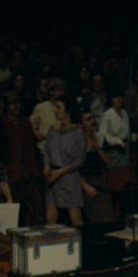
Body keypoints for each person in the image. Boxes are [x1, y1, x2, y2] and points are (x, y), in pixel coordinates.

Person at [2, 92, 45, 226]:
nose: (16, 106)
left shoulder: (26, 122)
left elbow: (30, 148)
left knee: (37, 209)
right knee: (15, 212)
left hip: (28, 168)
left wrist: (34, 170)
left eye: (18, 103)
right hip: (11, 169)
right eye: (12, 103)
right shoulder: (2, 123)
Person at [43, 95, 87, 227]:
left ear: (68, 111)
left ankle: (82, 244)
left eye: (58, 107)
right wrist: (46, 166)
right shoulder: (53, 129)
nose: (55, 110)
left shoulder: (78, 133)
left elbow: (79, 160)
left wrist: (61, 171)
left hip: (68, 177)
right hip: (52, 177)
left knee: (75, 219)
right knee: (50, 217)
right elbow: (47, 150)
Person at [79, 109, 116, 225]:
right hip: (84, 180)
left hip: (99, 178)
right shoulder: (77, 140)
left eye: (92, 118)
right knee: (95, 217)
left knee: (108, 215)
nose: (92, 121)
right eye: (88, 119)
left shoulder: (100, 137)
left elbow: (109, 161)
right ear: (80, 124)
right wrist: (85, 186)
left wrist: (98, 149)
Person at [30, 78, 68, 155]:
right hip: (45, 153)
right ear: (51, 92)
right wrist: (36, 132)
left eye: (63, 90)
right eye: (59, 90)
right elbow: (28, 123)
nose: (62, 93)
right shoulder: (41, 107)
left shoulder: (68, 108)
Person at [98, 90, 131, 167]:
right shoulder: (107, 115)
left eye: (120, 97)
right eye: (115, 97)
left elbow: (126, 132)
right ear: (110, 100)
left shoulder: (124, 112)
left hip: (126, 149)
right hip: (113, 150)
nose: (118, 99)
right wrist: (118, 142)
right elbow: (103, 134)